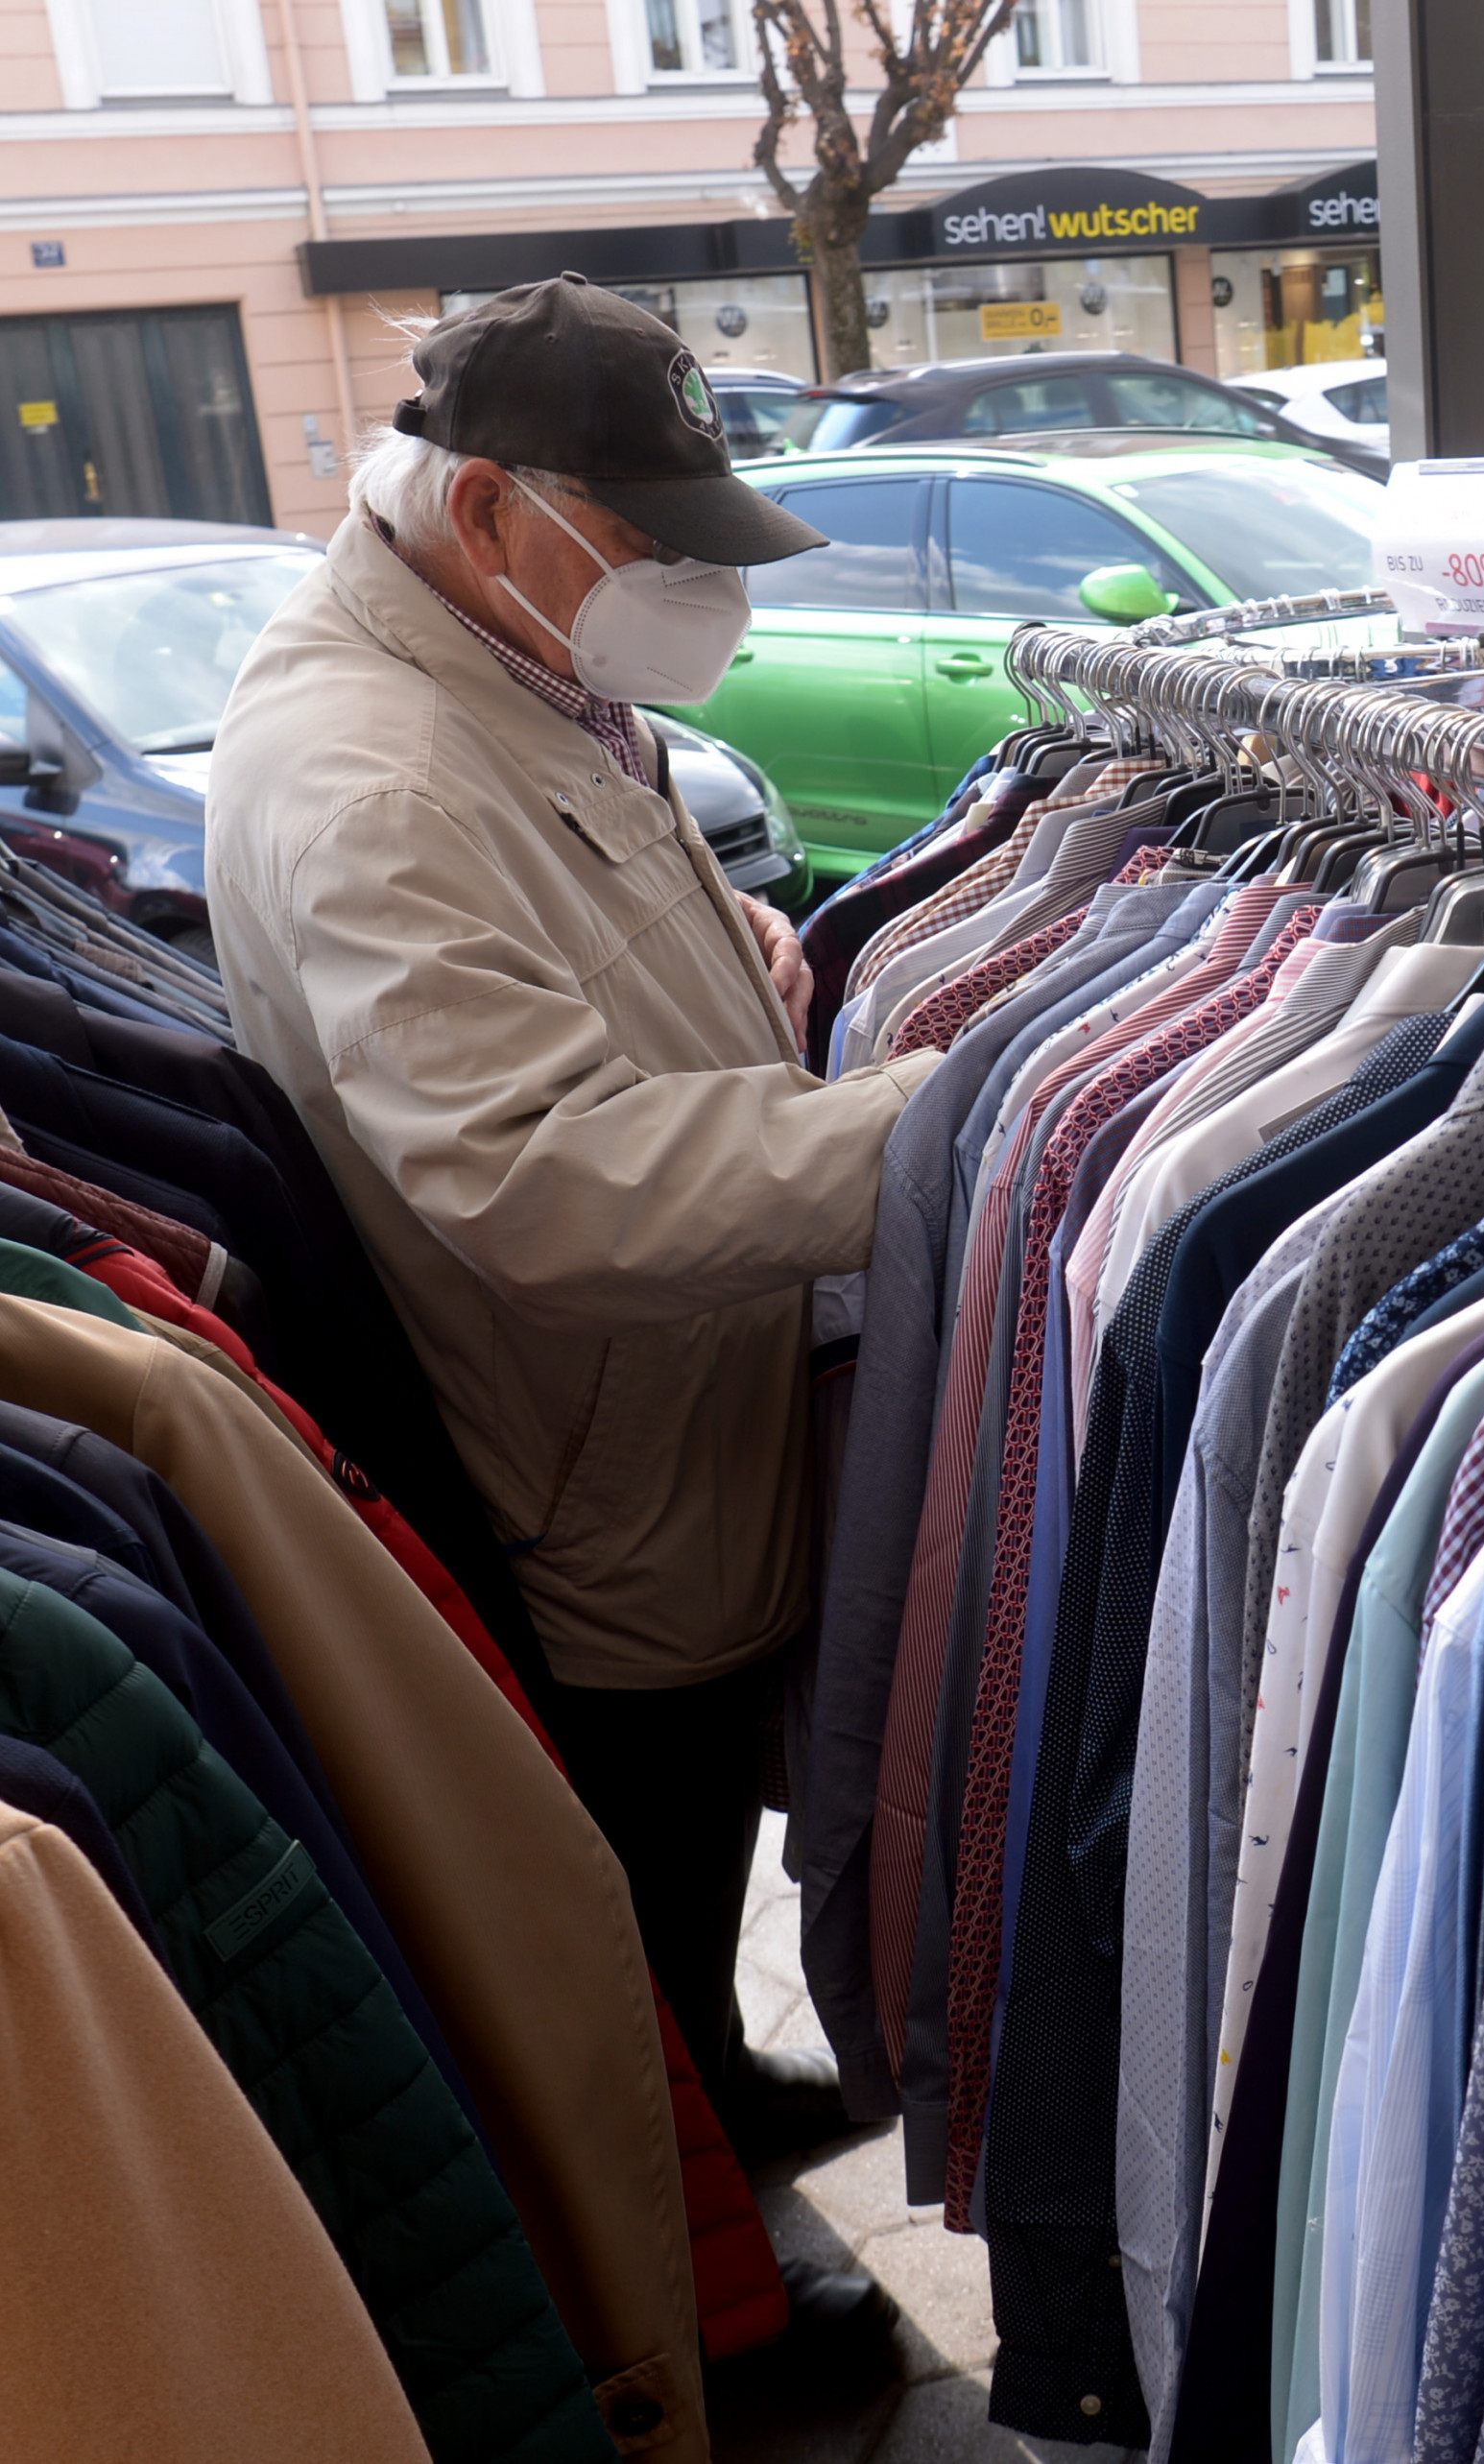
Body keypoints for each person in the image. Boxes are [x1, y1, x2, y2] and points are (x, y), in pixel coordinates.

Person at [205, 274, 940, 2380]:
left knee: (669, 1861)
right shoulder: (373, 760)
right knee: (608, 1872)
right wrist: (940, 1121)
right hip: (577, 1450)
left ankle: (703, 2077)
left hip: (637, 1421)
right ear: (496, 508)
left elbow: (573, 952)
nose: (694, 582)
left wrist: (748, 960)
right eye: (656, 538)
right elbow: (533, 1174)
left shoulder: (496, 668)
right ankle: (681, 2282)